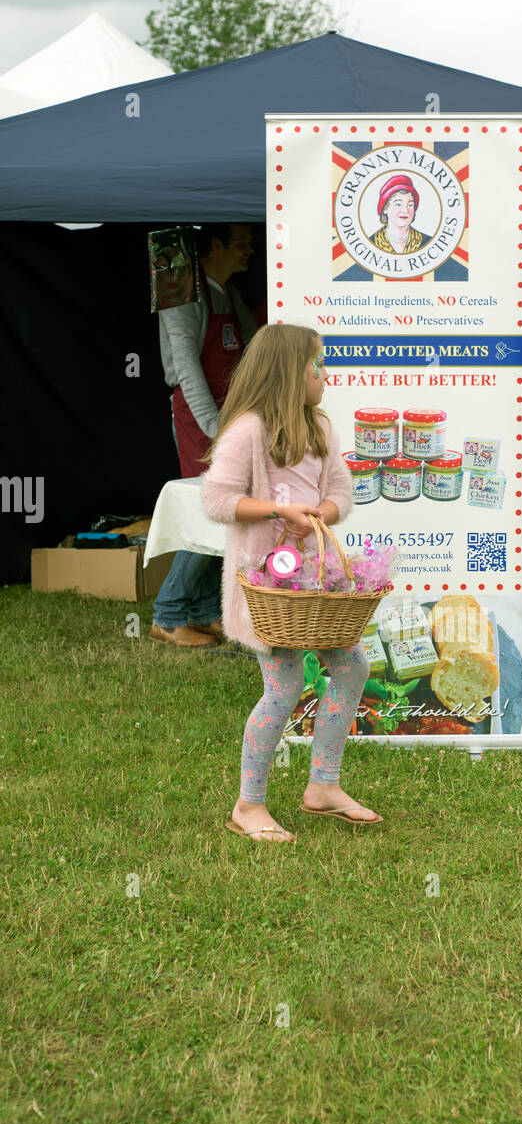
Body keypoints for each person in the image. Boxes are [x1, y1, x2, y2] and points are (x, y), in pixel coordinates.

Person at [201, 324, 381, 841]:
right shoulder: (248, 431)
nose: (322, 374)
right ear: (286, 374)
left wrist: (319, 512)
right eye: (314, 366)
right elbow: (217, 500)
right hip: (269, 590)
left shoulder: (320, 428)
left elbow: (342, 492)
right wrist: (278, 509)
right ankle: (247, 804)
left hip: (315, 586)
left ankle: (323, 785)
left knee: (351, 668)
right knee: (283, 687)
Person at [149, 224, 257, 648]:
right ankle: (169, 613)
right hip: (201, 416)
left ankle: (205, 611)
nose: (251, 249)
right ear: (214, 245)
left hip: (230, 414)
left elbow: (250, 351)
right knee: (211, 511)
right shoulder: (182, 296)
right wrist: (216, 429)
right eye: (241, 241)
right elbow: (189, 372)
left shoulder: (229, 293)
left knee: (228, 513)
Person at [371, 175, 431, 255]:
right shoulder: (372, 243)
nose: (405, 210)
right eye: (398, 204)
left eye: (410, 205)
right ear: (385, 208)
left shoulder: (427, 242)